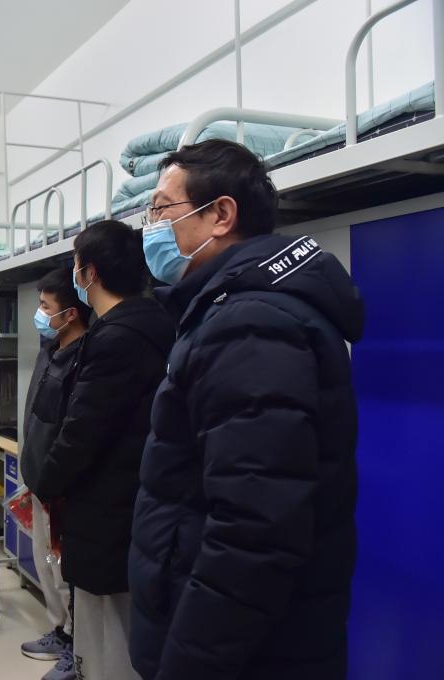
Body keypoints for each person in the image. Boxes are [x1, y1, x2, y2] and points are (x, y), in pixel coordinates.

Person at [129, 139, 364, 680]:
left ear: (220, 215)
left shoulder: (251, 324)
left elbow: (254, 529)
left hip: (249, 654)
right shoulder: (230, 310)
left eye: (161, 209)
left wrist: (187, 665)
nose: (151, 226)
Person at [35, 221, 175, 680]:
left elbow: (83, 431)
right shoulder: (153, 321)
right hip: (135, 497)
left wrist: (48, 483)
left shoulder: (116, 337)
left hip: (109, 504)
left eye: (76, 265)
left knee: (109, 636)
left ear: (89, 273)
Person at [17, 268, 91, 680]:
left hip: (60, 485)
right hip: (40, 476)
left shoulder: (86, 356)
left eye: (45, 306)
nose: (39, 314)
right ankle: (62, 631)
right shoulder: (51, 349)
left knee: (65, 570)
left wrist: (52, 479)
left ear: (71, 313)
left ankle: (79, 648)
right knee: (47, 564)